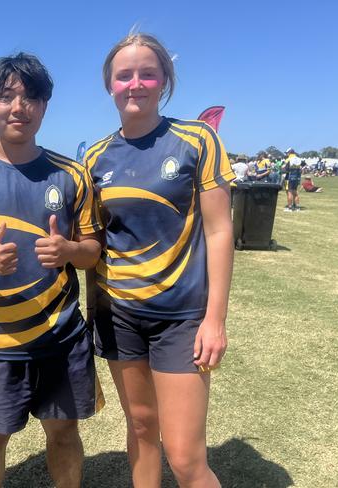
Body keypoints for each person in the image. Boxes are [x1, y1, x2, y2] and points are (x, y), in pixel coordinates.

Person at [0, 53, 104, 488]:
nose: (18, 107)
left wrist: (69, 249)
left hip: (61, 338)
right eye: (5, 96)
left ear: (45, 106)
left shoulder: (72, 175)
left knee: (65, 434)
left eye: (31, 97)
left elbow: (93, 252)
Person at [84, 33, 233, 488]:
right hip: (119, 316)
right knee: (143, 430)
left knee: (185, 457)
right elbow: (98, 244)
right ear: (109, 85)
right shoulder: (94, 157)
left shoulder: (197, 140)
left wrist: (215, 319)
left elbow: (220, 230)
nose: (136, 83)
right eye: (123, 75)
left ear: (164, 80)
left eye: (147, 73)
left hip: (182, 318)